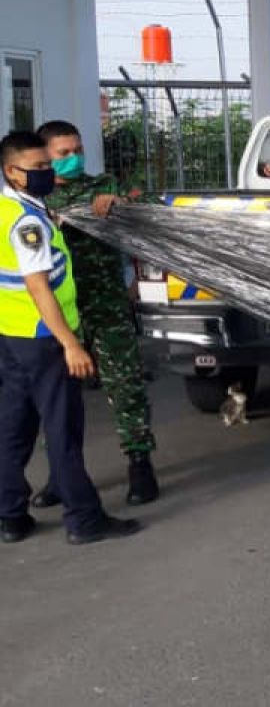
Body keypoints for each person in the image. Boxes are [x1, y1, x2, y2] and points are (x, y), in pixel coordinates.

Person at [0, 131, 140, 544]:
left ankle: (10, 515)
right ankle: (84, 518)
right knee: (62, 428)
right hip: (45, 337)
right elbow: (39, 286)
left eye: (48, 163)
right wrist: (71, 343)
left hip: (13, 334)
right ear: (12, 171)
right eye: (39, 167)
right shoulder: (28, 222)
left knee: (15, 426)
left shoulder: (13, 208)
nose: (48, 173)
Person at [29, 120, 159, 508]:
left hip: (106, 306)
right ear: (45, 156)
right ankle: (61, 472)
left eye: (77, 150)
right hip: (59, 311)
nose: (73, 159)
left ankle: (139, 462)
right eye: (63, 153)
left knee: (125, 384)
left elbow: (149, 208)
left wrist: (122, 205)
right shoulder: (35, 198)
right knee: (57, 396)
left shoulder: (102, 187)